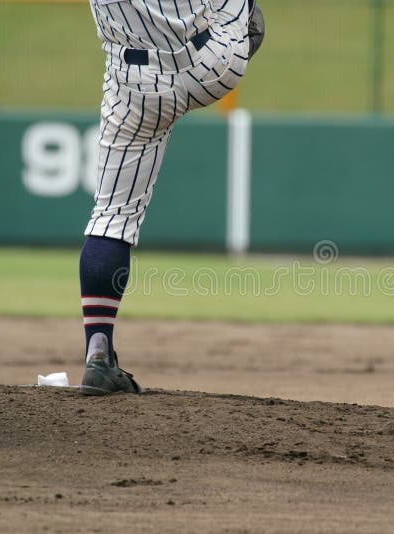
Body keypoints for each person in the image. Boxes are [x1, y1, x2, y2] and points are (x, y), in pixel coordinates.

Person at [78, 0, 265, 395]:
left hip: (136, 84)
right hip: (214, 61)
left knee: (112, 217)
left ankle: (98, 350)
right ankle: (241, 21)